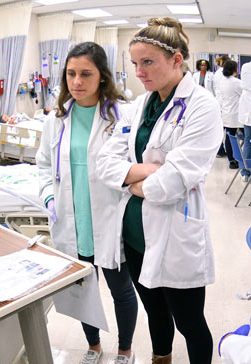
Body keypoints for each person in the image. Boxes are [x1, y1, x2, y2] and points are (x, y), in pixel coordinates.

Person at [96, 17, 222, 364]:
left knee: (190, 323)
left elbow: (174, 181)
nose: (139, 72)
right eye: (135, 63)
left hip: (175, 235)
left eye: (147, 62)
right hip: (136, 238)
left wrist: (131, 182)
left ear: (177, 59)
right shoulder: (140, 105)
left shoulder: (202, 106)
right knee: (156, 314)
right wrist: (143, 176)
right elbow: (105, 162)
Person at [36, 42, 138, 364]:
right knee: (83, 289)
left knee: (121, 291)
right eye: (70, 74)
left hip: (109, 221)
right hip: (72, 220)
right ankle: (93, 346)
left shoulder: (121, 115)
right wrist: (49, 197)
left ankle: (125, 350)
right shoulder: (56, 119)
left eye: (85, 74)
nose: (76, 82)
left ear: (102, 77)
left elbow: (132, 164)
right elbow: (42, 165)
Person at [220, 60, 243, 170]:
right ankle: (244, 158)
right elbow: (245, 94)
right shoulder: (236, 82)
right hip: (236, 114)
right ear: (234, 69)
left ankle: (232, 161)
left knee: (229, 138)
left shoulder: (223, 81)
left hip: (226, 113)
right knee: (246, 137)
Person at [238, 62, 251, 182]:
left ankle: (246, 172)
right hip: (247, 109)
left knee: (248, 140)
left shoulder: (246, 66)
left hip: (247, 110)